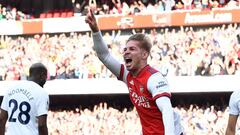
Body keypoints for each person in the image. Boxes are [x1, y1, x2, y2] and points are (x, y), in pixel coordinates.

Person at [85, 9, 183, 135]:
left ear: (144, 54)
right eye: (125, 49)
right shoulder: (128, 75)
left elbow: (167, 111)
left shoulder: (154, 78)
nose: (126, 52)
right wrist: (95, 30)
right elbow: (105, 56)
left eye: (132, 49)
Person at [0, 63, 49, 135]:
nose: (46, 80)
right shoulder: (41, 92)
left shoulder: (11, 88)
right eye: (46, 77)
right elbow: (42, 125)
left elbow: (1, 119)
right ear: (41, 75)